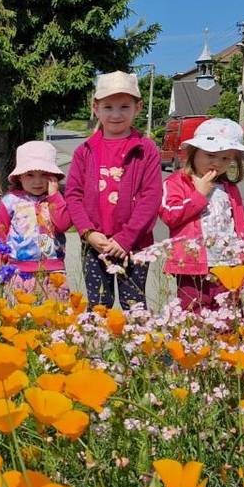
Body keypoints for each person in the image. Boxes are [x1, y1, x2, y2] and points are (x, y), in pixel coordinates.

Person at [65, 71, 162, 309]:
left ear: (138, 107)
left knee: (135, 306)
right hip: (94, 243)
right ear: (95, 108)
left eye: (124, 106)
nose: (116, 114)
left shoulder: (146, 149)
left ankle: (135, 347)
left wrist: (126, 238)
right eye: (108, 107)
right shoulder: (84, 151)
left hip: (135, 244)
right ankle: (99, 347)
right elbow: (73, 196)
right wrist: (87, 232)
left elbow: (151, 198)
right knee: (98, 306)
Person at [160, 118, 244, 311]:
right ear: (194, 152)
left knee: (229, 314)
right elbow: (169, 215)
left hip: (228, 264)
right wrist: (199, 194)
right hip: (193, 265)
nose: (217, 163)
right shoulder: (178, 182)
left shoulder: (229, 187)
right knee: (194, 312)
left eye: (226, 158)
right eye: (210, 155)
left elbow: (241, 224)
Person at [0, 140, 72, 275]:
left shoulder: (57, 199)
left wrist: (54, 195)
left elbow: (63, 225)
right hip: (19, 270)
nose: (37, 181)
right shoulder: (10, 201)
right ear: (19, 177)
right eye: (30, 175)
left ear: (53, 176)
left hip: (53, 269)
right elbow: (0, 234)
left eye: (44, 174)